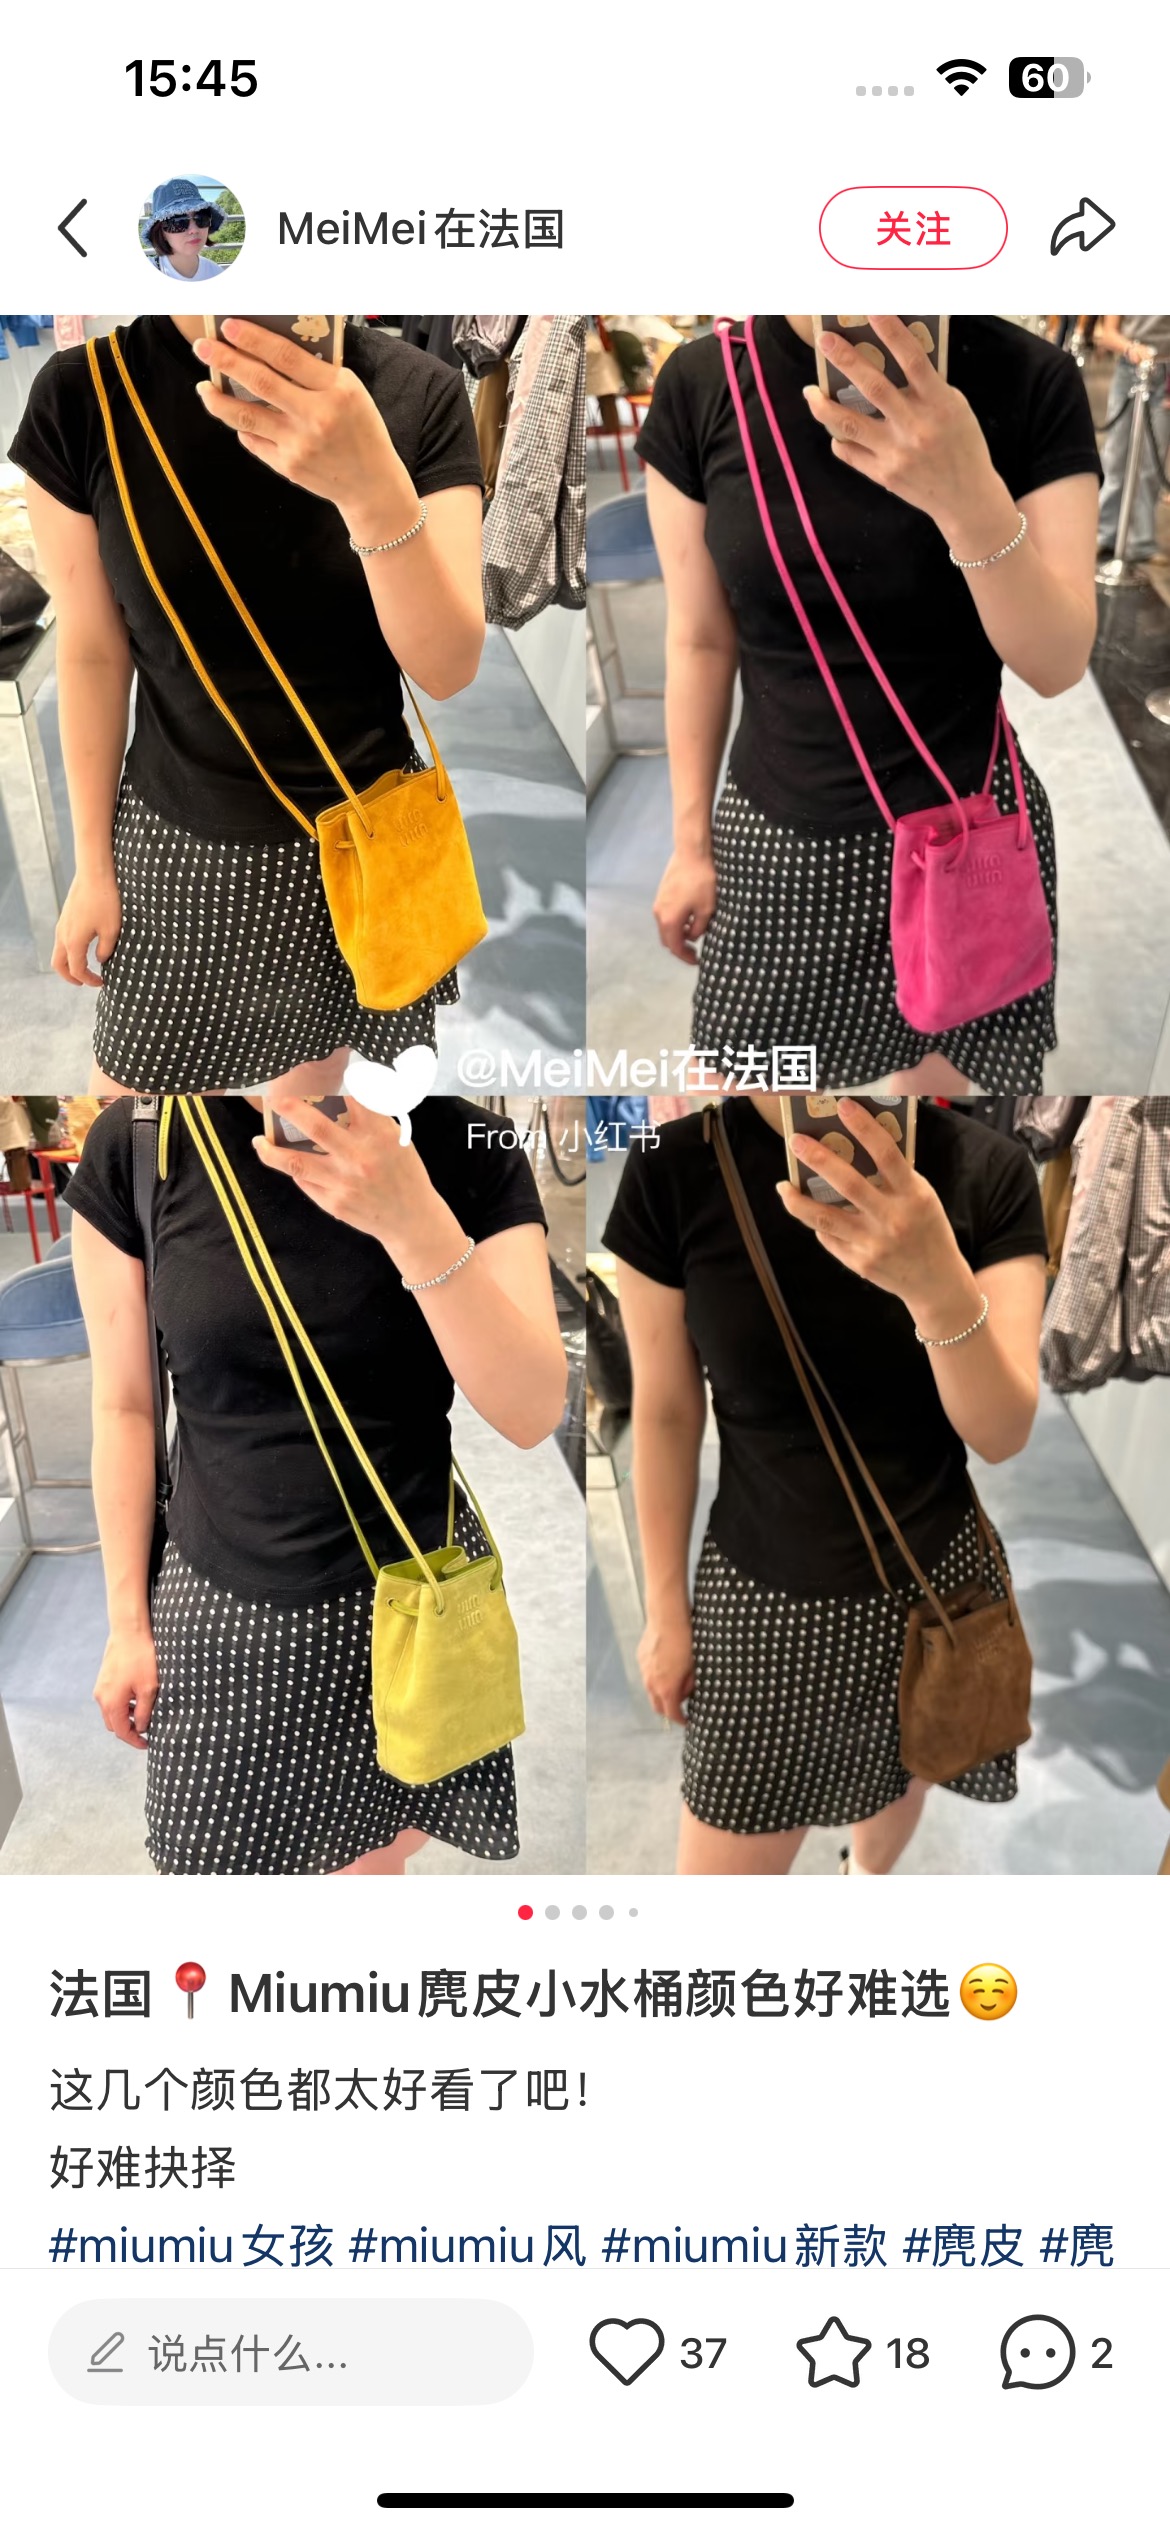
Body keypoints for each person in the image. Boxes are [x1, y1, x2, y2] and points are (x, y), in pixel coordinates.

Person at [65, 1091, 567, 1876]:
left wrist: (414, 1223)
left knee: (368, 1880)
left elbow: (532, 1412)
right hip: (220, 1607)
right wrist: (127, 1622)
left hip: (406, 1599)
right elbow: (125, 1406)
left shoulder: (461, 1137)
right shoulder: (142, 1137)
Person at [8, 315, 486, 1092]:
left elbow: (449, 668)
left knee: (303, 1121)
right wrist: (90, 864)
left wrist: (372, 493)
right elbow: (93, 651)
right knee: (137, 1123)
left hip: (361, 844)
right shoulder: (85, 394)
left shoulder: (415, 393)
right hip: (179, 847)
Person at [638, 315, 1101, 1096]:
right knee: (738, 1117)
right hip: (780, 843)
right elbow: (700, 640)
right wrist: (690, 846)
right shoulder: (706, 383)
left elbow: (1056, 664)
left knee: (933, 1107)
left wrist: (969, 501)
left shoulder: (1029, 377)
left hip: (968, 834)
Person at [604, 1093, 1048, 1876]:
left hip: (933, 1588)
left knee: (909, 1770)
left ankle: (863, 1878)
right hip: (761, 1608)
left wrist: (936, 1287)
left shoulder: (987, 1167)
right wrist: (665, 1610)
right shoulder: (673, 1166)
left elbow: (1001, 1433)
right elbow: (667, 1412)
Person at [1094, 316, 1170, 563]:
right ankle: (1104, 535)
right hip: (1130, 368)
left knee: (1152, 464)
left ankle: (1141, 542)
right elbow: (1107, 334)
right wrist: (1130, 348)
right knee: (1116, 458)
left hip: (1167, 375)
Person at [139, 178, 225, 281]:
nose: (194, 230)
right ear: (161, 232)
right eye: (178, 222)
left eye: (201, 219)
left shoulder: (216, 272)